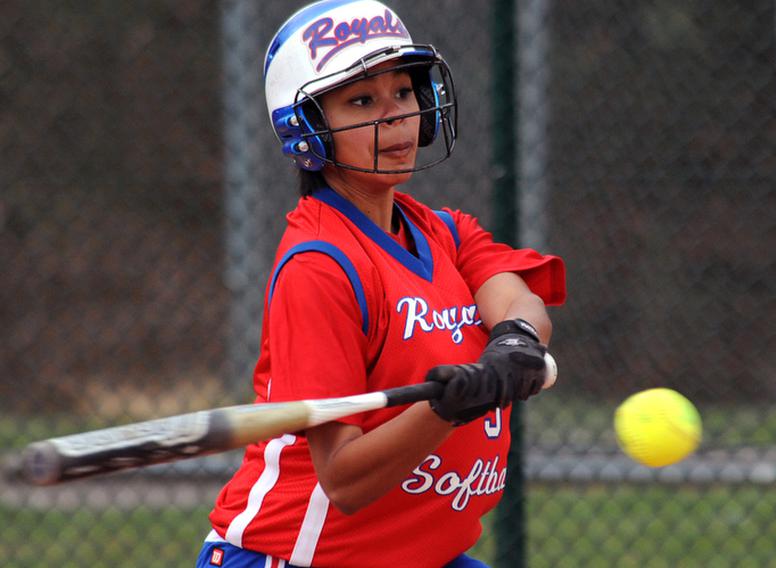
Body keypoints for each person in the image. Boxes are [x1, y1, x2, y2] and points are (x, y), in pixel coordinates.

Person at [196, 1, 566, 566]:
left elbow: (517, 297)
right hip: (300, 557)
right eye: (363, 101)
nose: (396, 117)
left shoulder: (443, 231)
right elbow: (344, 481)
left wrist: (514, 340)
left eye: (404, 92)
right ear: (310, 130)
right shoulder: (319, 267)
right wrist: (447, 409)